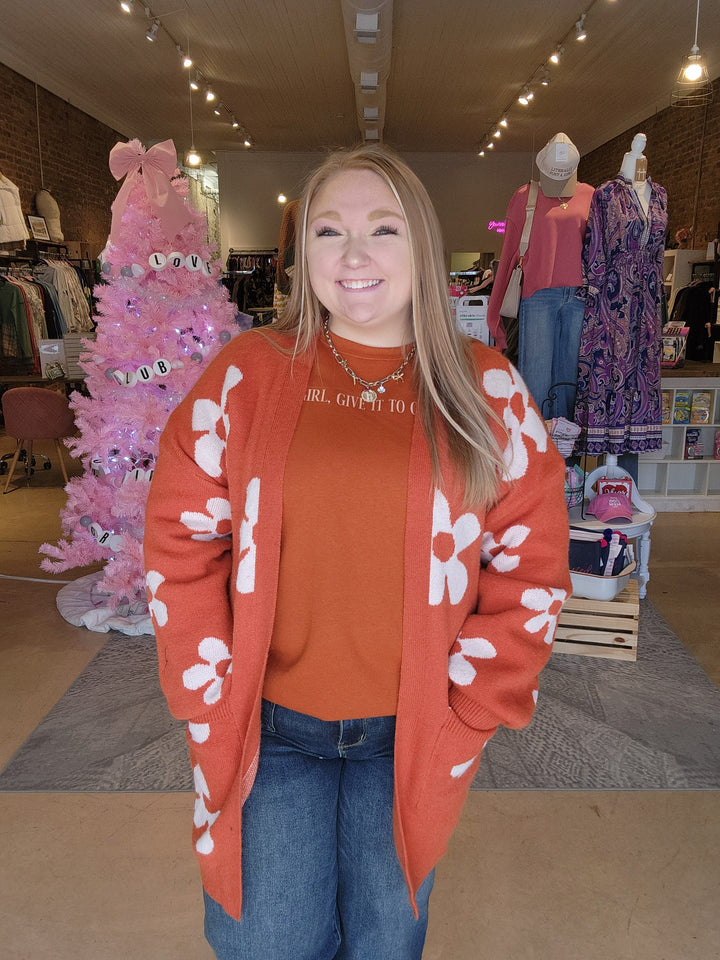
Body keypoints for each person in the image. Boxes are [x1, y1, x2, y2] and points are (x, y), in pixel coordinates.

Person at [143, 143, 571, 960]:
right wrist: (207, 691)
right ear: (304, 255)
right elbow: (179, 538)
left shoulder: (488, 392)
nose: (354, 254)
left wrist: (470, 710)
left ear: (421, 242)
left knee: (385, 943)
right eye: (328, 231)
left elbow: (532, 569)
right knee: (265, 944)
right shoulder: (248, 374)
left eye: (383, 228)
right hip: (269, 733)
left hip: (412, 736)